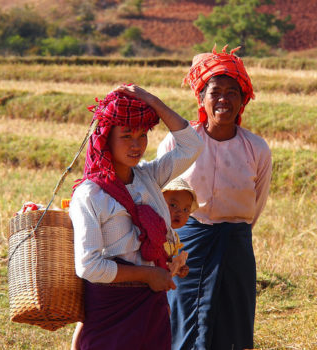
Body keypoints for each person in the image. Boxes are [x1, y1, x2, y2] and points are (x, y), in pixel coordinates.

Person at [69, 84, 203, 350]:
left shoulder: (148, 177)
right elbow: (89, 267)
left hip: (150, 304)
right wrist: (147, 275)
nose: (136, 145)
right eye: (126, 136)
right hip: (111, 309)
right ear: (106, 137)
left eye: (142, 136)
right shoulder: (90, 194)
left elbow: (192, 145)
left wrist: (151, 100)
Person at [157, 45, 272, 350]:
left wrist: (235, 229)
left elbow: (256, 204)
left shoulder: (256, 149)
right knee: (182, 319)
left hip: (235, 244)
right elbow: (160, 195)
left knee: (233, 323)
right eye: (215, 91)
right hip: (187, 246)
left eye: (233, 92)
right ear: (201, 98)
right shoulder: (179, 144)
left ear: (243, 100)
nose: (224, 99)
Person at [71, 177, 199, 350]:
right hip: (119, 288)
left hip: (154, 290)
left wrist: (178, 268)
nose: (179, 213)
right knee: (87, 322)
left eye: (186, 210)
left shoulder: (173, 237)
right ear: (159, 203)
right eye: (173, 205)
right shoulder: (149, 225)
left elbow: (166, 260)